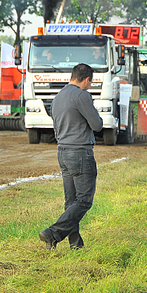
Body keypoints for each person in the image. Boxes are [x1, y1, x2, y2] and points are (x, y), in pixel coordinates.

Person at [39, 63, 103, 250]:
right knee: (84, 201)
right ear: (86, 80)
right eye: (90, 83)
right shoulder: (82, 95)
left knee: (71, 201)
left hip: (63, 151)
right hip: (80, 152)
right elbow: (97, 125)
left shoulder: (57, 97)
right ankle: (53, 233)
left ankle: (76, 244)